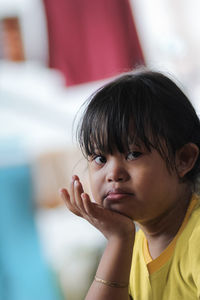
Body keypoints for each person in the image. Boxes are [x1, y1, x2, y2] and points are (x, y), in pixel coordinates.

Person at [60, 69, 200, 300]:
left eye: (133, 154)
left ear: (183, 159)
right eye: (100, 159)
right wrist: (119, 239)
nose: (113, 173)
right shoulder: (133, 249)